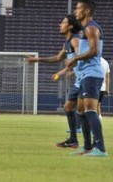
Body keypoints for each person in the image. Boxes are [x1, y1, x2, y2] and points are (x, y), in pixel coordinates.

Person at [27, 14, 81, 148]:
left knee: (85, 110)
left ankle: (92, 144)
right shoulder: (67, 43)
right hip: (80, 79)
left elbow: (80, 58)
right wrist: (37, 60)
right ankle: (74, 140)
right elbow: (57, 58)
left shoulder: (75, 40)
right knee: (69, 107)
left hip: (87, 78)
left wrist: (66, 70)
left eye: (63, 23)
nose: (60, 25)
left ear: (70, 26)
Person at [66, 0, 108, 157]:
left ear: (87, 11)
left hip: (92, 74)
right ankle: (88, 147)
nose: (75, 11)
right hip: (85, 74)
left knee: (90, 110)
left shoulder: (91, 28)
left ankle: (101, 148)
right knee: (82, 111)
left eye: (78, 9)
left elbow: (94, 51)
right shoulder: (85, 29)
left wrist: (75, 59)